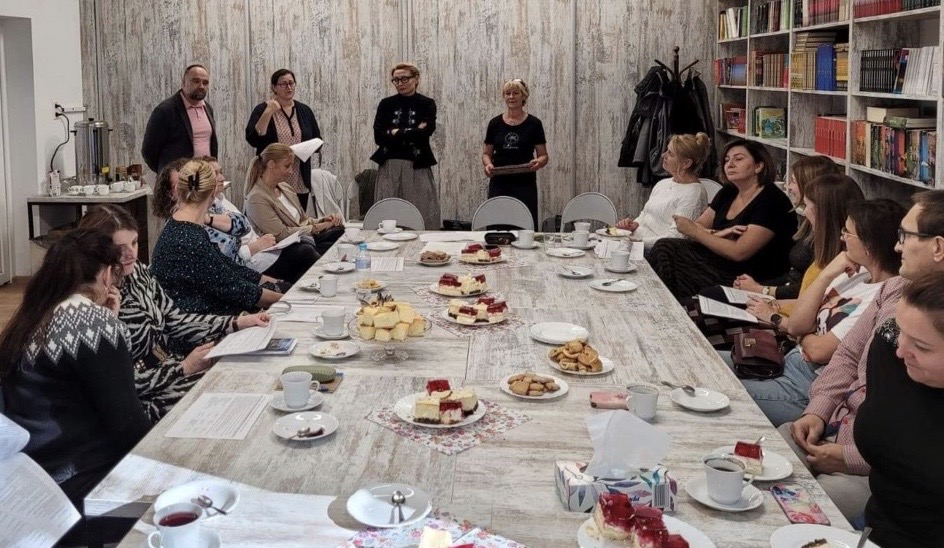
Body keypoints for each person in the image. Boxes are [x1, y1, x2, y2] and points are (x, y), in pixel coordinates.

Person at [779, 190, 944, 524]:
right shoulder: (893, 290)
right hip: (837, 430)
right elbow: (846, 357)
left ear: (938, 246)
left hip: (876, 469)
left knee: (798, 514)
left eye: (905, 236)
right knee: (766, 455)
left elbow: (922, 447)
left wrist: (850, 458)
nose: (897, 246)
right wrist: (817, 412)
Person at [0, 229, 151, 516]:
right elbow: (128, 428)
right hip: (76, 479)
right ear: (107, 274)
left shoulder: (32, 316)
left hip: (31, 473)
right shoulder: (94, 324)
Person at [78, 205, 270, 420]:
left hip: (168, 372)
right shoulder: (90, 299)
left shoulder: (138, 272)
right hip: (142, 401)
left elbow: (175, 319)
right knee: (233, 399)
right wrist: (183, 368)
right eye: (120, 247)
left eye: (134, 242)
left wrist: (237, 323)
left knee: (246, 382)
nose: (131, 253)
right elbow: (118, 385)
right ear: (97, 249)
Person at [738, 198, 904, 426]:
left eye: (848, 232)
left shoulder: (883, 295)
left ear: (869, 243)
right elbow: (796, 325)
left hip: (806, 386)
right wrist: (827, 274)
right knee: (709, 365)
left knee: (726, 391)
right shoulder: (854, 273)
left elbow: (818, 351)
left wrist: (804, 335)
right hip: (788, 360)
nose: (842, 237)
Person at [855, 273, 944, 546]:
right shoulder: (889, 346)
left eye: (921, 346)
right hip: (873, 528)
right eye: (900, 329)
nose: (901, 350)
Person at [647, 138, 797, 300]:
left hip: (748, 277)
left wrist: (699, 232)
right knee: (666, 247)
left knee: (669, 256)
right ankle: (665, 305)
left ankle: (671, 308)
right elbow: (697, 225)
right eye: (726, 160)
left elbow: (739, 251)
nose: (730, 164)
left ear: (758, 166)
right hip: (719, 261)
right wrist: (719, 233)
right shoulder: (729, 191)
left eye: (738, 159)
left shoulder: (772, 201)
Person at [151, 159, 283, 315]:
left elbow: (230, 269)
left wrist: (279, 284)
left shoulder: (183, 228)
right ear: (213, 192)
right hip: (203, 327)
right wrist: (286, 298)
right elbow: (235, 288)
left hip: (203, 317)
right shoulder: (189, 238)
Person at [733, 155, 842, 300]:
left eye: (793, 182)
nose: (788, 187)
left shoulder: (825, 234)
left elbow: (803, 290)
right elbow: (793, 276)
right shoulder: (809, 223)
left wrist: (760, 289)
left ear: (808, 185)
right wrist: (755, 286)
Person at [204, 156, 317, 283]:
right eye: (215, 174)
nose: (222, 178)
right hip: (250, 263)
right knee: (304, 252)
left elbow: (302, 218)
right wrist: (257, 245)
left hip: (264, 250)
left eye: (221, 172)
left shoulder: (222, 200)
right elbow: (225, 256)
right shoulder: (256, 197)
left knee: (310, 247)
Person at [370, 62, 440, 229]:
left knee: (421, 212)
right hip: (389, 165)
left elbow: (425, 132)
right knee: (387, 213)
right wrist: (413, 131)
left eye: (404, 79)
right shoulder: (386, 104)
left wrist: (395, 132)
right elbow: (379, 137)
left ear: (416, 79)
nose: (400, 84)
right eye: (396, 80)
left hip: (417, 165)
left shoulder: (427, 103)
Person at [244, 143, 344, 257]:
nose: (291, 171)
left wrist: (323, 220)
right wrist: (319, 227)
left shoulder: (285, 188)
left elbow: (302, 220)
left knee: (338, 231)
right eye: (287, 166)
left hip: (303, 240)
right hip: (280, 250)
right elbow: (281, 235)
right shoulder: (256, 198)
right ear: (271, 165)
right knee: (307, 250)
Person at [614, 133, 711, 249]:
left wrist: (636, 243)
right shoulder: (662, 183)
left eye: (670, 153)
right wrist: (633, 225)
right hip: (636, 243)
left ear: (686, 163)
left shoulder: (694, 193)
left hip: (658, 253)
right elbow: (644, 215)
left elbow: (676, 238)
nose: (663, 155)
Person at [245, 68, 322, 212]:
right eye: (284, 84)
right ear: (274, 87)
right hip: (272, 177)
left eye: (291, 83)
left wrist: (307, 148)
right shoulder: (262, 109)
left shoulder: (304, 110)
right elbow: (253, 139)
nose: (289, 87)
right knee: (273, 218)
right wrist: (269, 111)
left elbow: (317, 138)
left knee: (297, 218)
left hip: (298, 176)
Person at [482, 79, 549, 230]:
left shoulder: (534, 124)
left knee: (524, 227)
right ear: (504, 96)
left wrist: (538, 162)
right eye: (507, 93)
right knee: (497, 227)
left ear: (523, 96)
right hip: (499, 183)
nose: (511, 97)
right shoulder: (494, 123)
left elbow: (544, 155)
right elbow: (486, 153)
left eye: (515, 93)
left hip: (524, 184)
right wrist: (488, 165)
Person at [141, 64, 217, 175]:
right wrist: (168, 175)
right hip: (179, 182)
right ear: (183, 84)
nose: (201, 86)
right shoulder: (165, 110)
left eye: (205, 83)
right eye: (196, 81)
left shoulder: (207, 108)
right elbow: (149, 151)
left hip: (204, 179)